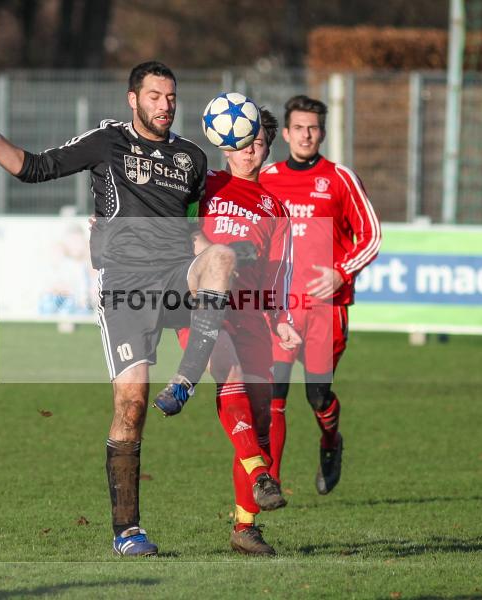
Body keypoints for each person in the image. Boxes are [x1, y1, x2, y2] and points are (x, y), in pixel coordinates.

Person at [0, 61, 242, 556]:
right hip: (125, 288)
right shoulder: (108, 141)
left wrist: (214, 263)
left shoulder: (191, 158)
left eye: (170, 97)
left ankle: (188, 377)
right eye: (154, 96)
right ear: (133, 99)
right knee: (131, 405)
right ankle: (127, 531)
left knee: (222, 255)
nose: (165, 105)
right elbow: (35, 168)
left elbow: (192, 232)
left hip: (174, 274)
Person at [174, 109, 301, 555]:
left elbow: (279, 272)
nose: (251, 149)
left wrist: (282, 318)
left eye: (260, 142)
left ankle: (245, 527)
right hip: (204, 307)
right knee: (227, 374)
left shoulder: (275, 208)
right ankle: (259, 472)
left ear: (268, 147)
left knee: (262, 419)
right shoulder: (202, 183)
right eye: (243, 141)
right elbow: (169, 216)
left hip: (252, 316)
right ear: (225, 143)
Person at [259, 95, 381, 495]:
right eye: (298, 127)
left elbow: (371, 236)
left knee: (317, 394)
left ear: (322, 132)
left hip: (326, 310)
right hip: (281, 309)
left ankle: (331, 442)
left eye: (313, 128)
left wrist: (340, 271)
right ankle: (271, 480)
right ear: (288, 133)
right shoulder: (268, 178)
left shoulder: (340, 178)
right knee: (274, 393)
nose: (305, 134)